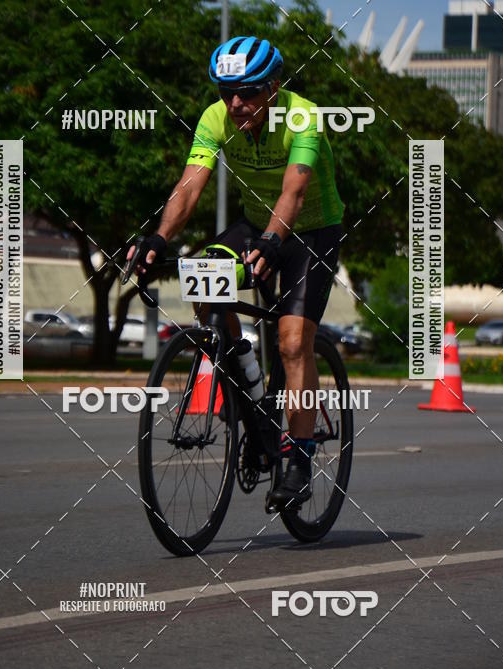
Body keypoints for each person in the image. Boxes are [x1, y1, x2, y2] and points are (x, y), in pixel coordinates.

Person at [126, 35, 344, 509]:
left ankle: (300, 461)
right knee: (204, 277)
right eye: (227, 92)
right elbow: (188, 188)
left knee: (291, 342)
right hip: (255, 224)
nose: (236, 103)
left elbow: (294, 193)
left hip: (312, 232)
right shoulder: (215, 118)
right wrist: (157, 238)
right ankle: (247, 378)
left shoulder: (303, 116)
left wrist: (274, 239)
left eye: (247, 92)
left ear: (274, 86)